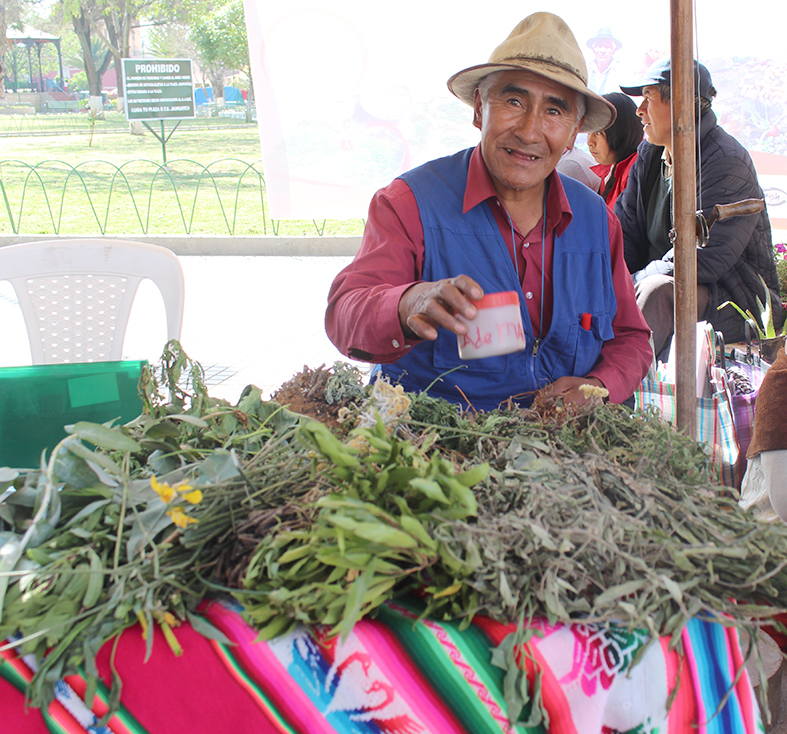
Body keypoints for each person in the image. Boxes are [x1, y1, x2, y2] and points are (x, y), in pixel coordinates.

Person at [325, 12, 652, 411]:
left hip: (560, 451)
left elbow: (631, 338)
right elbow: (344, 312)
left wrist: (599, 385)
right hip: (436, 447)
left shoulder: (596, 220)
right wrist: (406, 302)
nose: (530, 131)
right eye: (514, 100)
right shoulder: (409, 202)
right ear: (480, 108)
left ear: (573, 132)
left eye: (554, 111)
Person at [615, 58, 786, 358]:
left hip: (735, 298)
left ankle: (628, 395)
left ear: (681, 104)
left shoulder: (726, 160)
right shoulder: (649, 154)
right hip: (664, 287)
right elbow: (624, 232)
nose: (639, 110)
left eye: (648, 98)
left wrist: (632, 284)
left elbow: (702, 258)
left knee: (657, 291)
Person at [587, 92, 642, 208]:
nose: (590, 142)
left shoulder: (635, 169)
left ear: (619, 132)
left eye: (598, 133)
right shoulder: (608, 168)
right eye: (589, 131)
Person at [586, 28, 623, 95]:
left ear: (613, 50)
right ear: (593, 49)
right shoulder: (585, 69)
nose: (603, 51)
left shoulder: (622, 72)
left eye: (607, 46)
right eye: (599, 46)